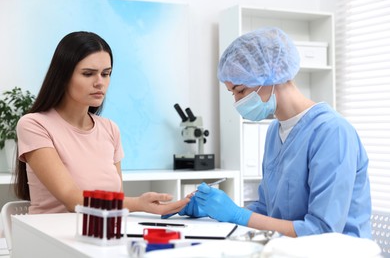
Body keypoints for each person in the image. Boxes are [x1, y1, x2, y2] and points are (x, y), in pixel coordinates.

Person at [163, 27, 372, 238]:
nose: (237, 102)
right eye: (233, 93)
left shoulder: (332, 132)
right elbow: (267, 210)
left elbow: (322, 232)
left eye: (241, 90)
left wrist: (237, 215)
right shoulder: (275, 130)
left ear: (272, 74)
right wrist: (214, 210)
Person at [14, 31, 189, 214]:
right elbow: (72, 199)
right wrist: (138, 204)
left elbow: (116, 202)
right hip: (50, 237)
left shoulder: (110, 129)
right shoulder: (34, 125)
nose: (100, 82)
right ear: (63, 76)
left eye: (106, 74)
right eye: (88, 74)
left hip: (99, 237)